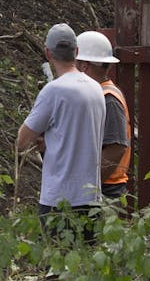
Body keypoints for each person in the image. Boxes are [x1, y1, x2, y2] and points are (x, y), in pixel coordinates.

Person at [16, 23, 105, 235]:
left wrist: (41, 138)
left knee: (57, 266)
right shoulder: (96, 89)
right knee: (86, 265)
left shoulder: (53, 91)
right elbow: (81, 135)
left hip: (59, 201)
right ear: (76, 52)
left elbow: (21, 141)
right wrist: (51, 141)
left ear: (48, 53)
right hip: (92, 199)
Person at [75, 31, 132, 203]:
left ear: (84, 66)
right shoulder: (98, 94)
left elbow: (116, 148)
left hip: (106, 189)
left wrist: (89, 184)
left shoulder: (108, 100)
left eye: (74, 64)